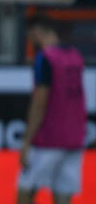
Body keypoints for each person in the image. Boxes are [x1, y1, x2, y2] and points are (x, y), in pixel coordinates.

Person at [17, 15, 87, 204]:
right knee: (63, 196)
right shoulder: (75, 56)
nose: (32, 43)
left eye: (31, 37)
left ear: (38, 33)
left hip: (48, 140)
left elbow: (40, 101)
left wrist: (27, 141)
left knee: (25, 190)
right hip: (74, 139)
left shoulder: (45, 58)